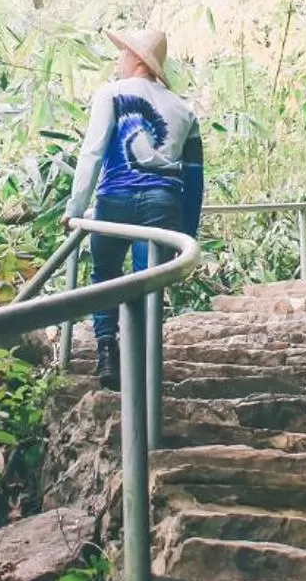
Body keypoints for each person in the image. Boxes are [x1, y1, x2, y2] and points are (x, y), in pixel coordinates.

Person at [63, 27, 202, 390]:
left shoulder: (111, 94)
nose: (119, 59)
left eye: (123, 53)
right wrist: (187, 232)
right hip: (163, 204)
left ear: (139, 60)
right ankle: (138, 358)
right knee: (146, 284)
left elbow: (92, 152)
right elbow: (194, 177)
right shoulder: (185, 110)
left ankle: (107, 351)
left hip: (114, 202)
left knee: (105, 276)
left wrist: (74, 207)